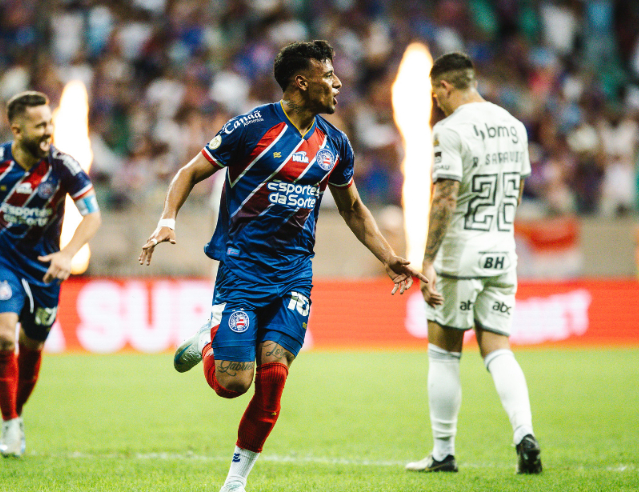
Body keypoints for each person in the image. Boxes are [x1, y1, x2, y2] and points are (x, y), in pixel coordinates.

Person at [139, 40, 427, 492]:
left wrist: (390, 257)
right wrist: (167, 219)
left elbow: (352, 209)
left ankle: (236, 480)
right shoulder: (250, 127)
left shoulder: (336, 144)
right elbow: (190, 171)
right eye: (328, 76)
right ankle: (212, 342)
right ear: (301, 81)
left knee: (273, 374)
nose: (337, 84)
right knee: (234, 383)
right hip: (242, 268)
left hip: (294, 272)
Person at [405, 52, 542, 475]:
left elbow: (445, 196)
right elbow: (517, 193)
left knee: (444, 353)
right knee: (498, 348)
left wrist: (426, 261)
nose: (436, 104)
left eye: (435, 95)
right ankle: (524, 434)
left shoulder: (450, 130)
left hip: (460, 254)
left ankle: (443, 453)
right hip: (503, 250)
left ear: (445, 87)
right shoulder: (513, 126)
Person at [0, 91, 101, 457]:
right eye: (40, 125)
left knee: (32, 345)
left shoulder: (65, 166)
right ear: (16, 129)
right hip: (2, 260)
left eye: (50, 123)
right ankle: (10, 421)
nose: (48, 131)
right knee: (3, 339)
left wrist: (68, 253)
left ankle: (16, 413)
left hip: (47, 268)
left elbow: (92, 215)